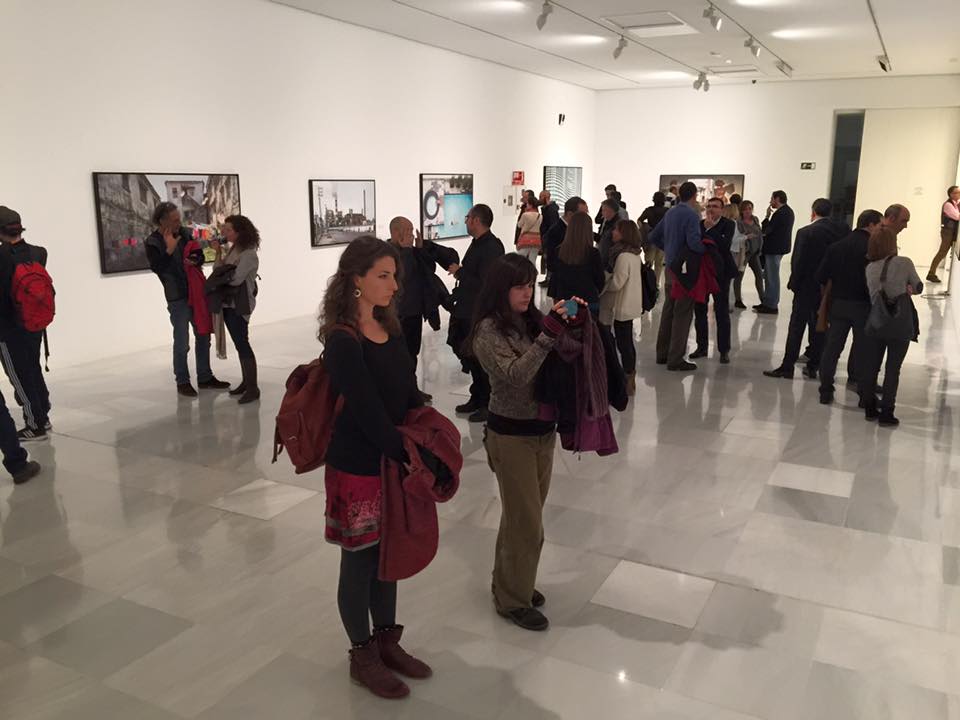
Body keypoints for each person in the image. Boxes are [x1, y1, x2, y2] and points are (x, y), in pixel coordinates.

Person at [319, 236, 432, 699]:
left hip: (391, 460)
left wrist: (425, 429)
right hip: (359, 466)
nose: (394, 284)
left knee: (388, 555)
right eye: (383, 275)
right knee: (360, 561)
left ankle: (387, 641)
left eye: (394, 275)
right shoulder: (343, 340)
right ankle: (362, 654)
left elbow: (406, 390)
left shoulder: (391, 326)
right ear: (356, 280)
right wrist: (406, 453)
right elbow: (366, 412)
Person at [471, 253, 581, 631]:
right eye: (519, 286)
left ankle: (509, 583)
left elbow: (556, 357)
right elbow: (517, 375)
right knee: (527, 524)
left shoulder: (529, 320)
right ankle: (512, 600)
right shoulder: (488, 331)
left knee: (520, 518)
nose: (527, 292)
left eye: (530, 285)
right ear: (500, 289)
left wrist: (568, 320)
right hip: (510, 436)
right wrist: (548, 335)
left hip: (541, 432)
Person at [145, 202, 230, 397]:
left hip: (195, 292)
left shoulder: (184, 233)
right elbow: (158, 268)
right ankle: (182, 381)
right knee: (182, 341)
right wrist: (169, 249)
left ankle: (205, 377)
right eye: (174, 220)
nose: (178, 223)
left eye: (178, 219)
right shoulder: (153, 242)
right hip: (177, 297)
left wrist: (195, 259)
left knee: (203, 334)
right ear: (162, 221)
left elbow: (199, 255)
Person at [764, 198, 847, 380]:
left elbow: (798, 261)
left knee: (796, 326)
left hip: (806, 286)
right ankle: (813, 365)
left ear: (813, 212)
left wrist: (794, 284)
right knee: (820, 325)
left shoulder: (806, 232)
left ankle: (788, 366)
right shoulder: (842, 231)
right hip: (828, 287)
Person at [445, 204, 504, 423]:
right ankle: (477, 396)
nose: (466, 221)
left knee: (481, 358)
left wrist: (460, 272)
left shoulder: (491, 247)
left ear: (476, 220)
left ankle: (487, 402)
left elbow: (486, 282)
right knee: (469, 353)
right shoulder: (478, 243)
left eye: (467, 217)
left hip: (479, 311)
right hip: (467, 308)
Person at [817, 209, 883, 404]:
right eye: (879, 225)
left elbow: (822, 276)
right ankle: (864, 394)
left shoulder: (837, 246)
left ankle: (825, 390)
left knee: (832, 349)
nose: (880, 230)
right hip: (863, 305)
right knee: (864, 351)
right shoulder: (874, 248)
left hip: (839, 303)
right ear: (870, 224)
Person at [0, 207, 53, 440]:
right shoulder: (39, 252)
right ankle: (44, 415)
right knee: (33, 367)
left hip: (8, 328)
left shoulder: (1, 257)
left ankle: (34, 424)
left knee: (19, 375)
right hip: (35, 322)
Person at [861, 228, 923, 427]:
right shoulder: (904, 262)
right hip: (900, 324)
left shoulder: (870, 268)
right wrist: (907, 288)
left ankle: (869, 407)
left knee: (872, 366)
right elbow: (918, 286)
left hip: (877, 322)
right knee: (893, 369)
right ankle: (887, 412)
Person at [651, 181, 704, 371]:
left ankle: (662, 353)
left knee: (668, 310)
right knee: (682, 313)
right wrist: (706, 249)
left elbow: (653, 236)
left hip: (670, 267)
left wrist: (669, 249)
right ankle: (675, 359)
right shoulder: (692, 214)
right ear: (694, 195)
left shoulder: (670, 213)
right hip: (684, 270)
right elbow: (694, 242)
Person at [213, 215, 261, 404]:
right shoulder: (234, 249)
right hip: (228, 302)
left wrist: (220, 277)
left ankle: (253, 388)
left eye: (228, 230)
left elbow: (235, 279)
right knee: (240, 343)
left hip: (239, 304)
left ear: (240, 232)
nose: (224, 233)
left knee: (242, 343)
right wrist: (218, 254)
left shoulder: (248, 254)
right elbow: (218, 269)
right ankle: (247, 383)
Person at [599, 220, 645, 394]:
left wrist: (603, 284)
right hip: (630, 303)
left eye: (616, 230)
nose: (613, 233)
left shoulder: (622, 256)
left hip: (620, 304)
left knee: (622, 342)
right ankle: (629, 375)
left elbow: (617, 282)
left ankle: (627, 377)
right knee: (626, 341)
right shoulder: (634, 254)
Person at [692, 197, 736, 363]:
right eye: (709, 206)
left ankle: (724, 350)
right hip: (703, 272)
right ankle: (701, 347)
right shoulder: (699, 224)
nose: (711, 209)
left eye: (715, 206)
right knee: (700, 309)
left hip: (721, 273)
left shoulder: (729, 224)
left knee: (721, 311)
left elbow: (724, 245)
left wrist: (710, 229)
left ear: (722, 209)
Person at [547, 212, 605, 315]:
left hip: (565, 300)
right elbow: (600, 280)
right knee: (588, 325)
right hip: (588, 300)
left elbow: (555, 276)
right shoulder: (593, 253)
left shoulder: (559, 251)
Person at [755, 190, 795, 314]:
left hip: (774, 248)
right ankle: (768, 302)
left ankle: (771, 305)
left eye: (772, 199)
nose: (770, 201)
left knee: (771, 277)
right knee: (770, 275)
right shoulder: (788, 212)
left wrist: (767, 216)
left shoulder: (780, 213)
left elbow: (767, 230)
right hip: (779, 248)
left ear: (777, 199)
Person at [543, 196, 588, 297]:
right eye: (582, 215)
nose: (586, 218)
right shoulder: (556, 231)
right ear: (570, 214)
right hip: (563, 287)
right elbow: (552, 262)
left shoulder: (578, 230)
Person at [927, 186, 959, 283]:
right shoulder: (948, 205)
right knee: (942, 252)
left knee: (944, 252)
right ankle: (931, 273)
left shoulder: (955, 204)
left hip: (952, 231)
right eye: (957, 192)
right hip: (947, 232)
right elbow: (957, 216)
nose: (959, 194)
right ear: (951, 194)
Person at [737, 200, 765, 310]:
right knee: (739, 276)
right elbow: (738, 237)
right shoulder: (739, 222)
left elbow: (759, 234)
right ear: (741, 211)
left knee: (759, 275)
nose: (748, 211)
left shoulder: (755, 219)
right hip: (744, 252)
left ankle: (763, 299)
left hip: (755, 252)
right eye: (745, 209)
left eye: (749, 208)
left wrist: (760, 248)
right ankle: (738, 300)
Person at [639, 192, 669, 286]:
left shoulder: (649, 210)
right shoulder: (667, 211)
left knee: (648, 263)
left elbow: (639, 220)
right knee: (659, 264)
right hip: (662, 240)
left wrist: (645, 228)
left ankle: (647, 284)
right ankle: (656, 284)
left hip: (650, 239)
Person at [515, 197, 542, 266]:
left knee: (520, 260)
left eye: (527, 204)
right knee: (533, 260)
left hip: (526, 239)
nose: (526, 205)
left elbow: (519, 225)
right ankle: (532, 272)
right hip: (537, 240)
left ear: (531, 205)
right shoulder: (540, 216)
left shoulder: (525, 215)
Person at [596, 199, 620, 270]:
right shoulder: (608, 223)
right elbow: (604, 239)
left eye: (603, 210)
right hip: (605, 262)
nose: (602, 213)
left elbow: (614, 244)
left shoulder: (618, 225)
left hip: (610, 265)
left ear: (610, 210)